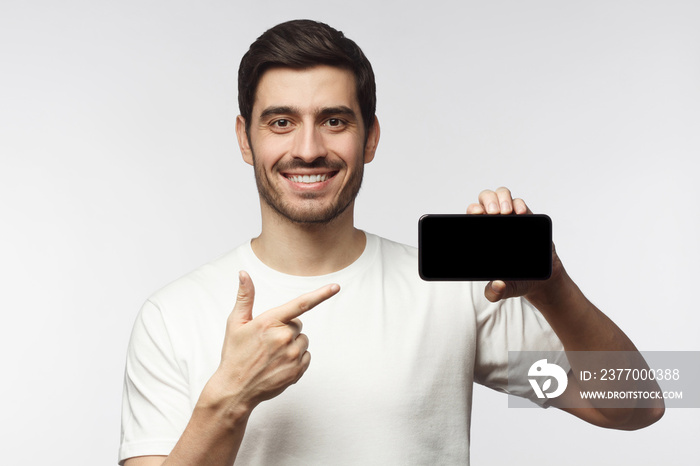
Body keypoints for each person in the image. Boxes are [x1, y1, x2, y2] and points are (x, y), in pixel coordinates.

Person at [119, 19, 663, 466]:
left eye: (334, 120)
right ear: (245, 138)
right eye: (281, 122)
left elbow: (638, 405)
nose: (308, 148)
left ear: (371, 137)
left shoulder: (453, 293)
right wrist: (227, 400)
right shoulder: (172, 315)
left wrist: (553, 288)